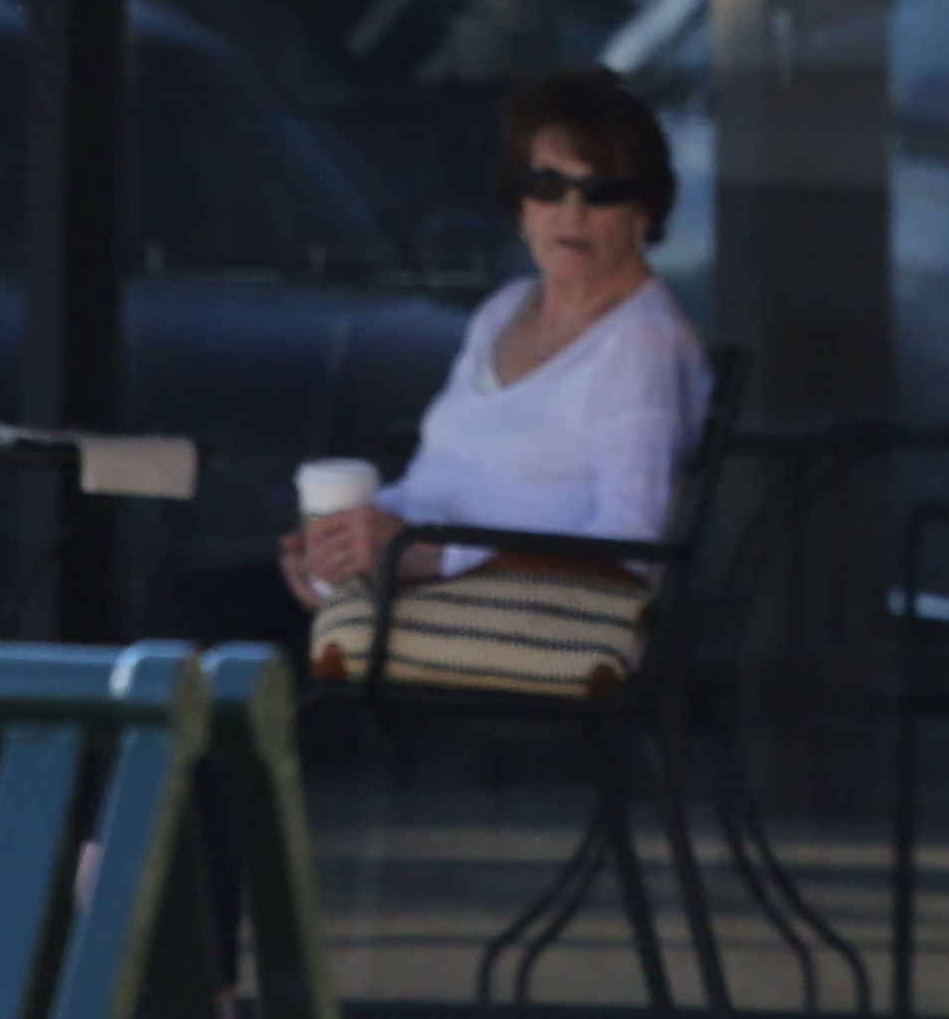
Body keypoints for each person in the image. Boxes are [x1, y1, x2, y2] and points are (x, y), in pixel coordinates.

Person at [282, 66, 710, 695]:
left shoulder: (639, 344)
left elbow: (633, 550)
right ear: (520, 205)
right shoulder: (504, 309)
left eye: (602, 191)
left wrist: (436, 554)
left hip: (535, 616)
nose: (572, 211)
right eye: (548, 184)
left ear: (642, 211)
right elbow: (436, 481)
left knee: (276, 673)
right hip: (432, 587)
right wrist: (337, 540)